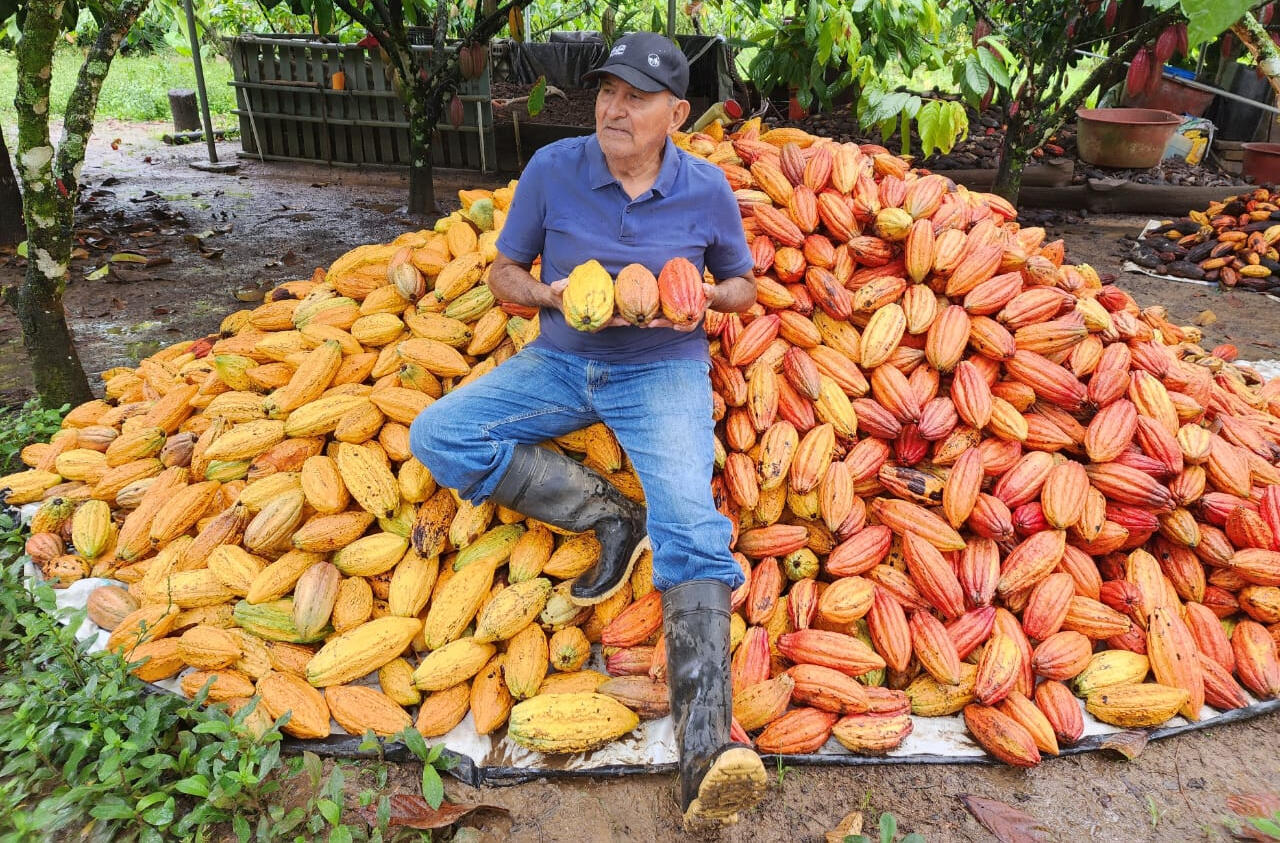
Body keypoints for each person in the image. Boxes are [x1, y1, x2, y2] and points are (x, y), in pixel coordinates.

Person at [409, 31, 767, 829]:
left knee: (692, 527)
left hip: (661, 369)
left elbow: (743, 283)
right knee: (438, 435)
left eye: (637, 96)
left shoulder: (704, 187)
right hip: (563, 363)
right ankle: (607, 513)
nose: (615, 107)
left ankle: (706, 750)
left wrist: (703, 298)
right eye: (608, 90)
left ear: (676, 112)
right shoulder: (553, 169)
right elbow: (502, 271)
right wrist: (547, 293)